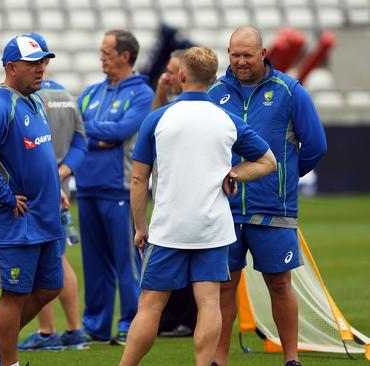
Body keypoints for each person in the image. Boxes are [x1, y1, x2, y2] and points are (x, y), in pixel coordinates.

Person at [120, 47, 277, 366]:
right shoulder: (227, 120)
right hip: (213, 229)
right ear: (214, 78)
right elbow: (267, 161)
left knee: (150, 305)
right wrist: (235, 173)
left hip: (169, 229)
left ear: (180, 75)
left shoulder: (158, 118)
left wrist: (140, 226)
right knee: (209, 304)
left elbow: (139, 181)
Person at [207, 27, 328, 366]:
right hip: (225, 208)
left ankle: (291, 359)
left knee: (279, 283)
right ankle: (219, 360)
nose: (240, 61)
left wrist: (284, 178)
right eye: (234, 54)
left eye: (247, 54)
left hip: (273, 208)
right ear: (227, 53)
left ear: (263, 53)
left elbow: (316, 145)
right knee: (223, 286)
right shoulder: (215, 91)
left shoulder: (290, 91)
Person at [0, 35, 62, 366]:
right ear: (11, 67)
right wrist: (3, 195)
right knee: (15, 294)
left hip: (43, 216)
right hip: (15, 218)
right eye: (33, 63)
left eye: (43, 62)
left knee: (50, 287)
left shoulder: (33, 101)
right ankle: (8, 362)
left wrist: (54, 189)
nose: (40, 69)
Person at [75, 29, 154, 344]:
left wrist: (95, 133)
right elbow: (76, 130)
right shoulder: (91, 92)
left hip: (120, 188)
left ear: (125, 56)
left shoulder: (142, 93)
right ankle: (95, 325)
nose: (101, 57)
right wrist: (100, 135)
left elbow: (122, 130)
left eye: (107, 51)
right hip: (87, 186)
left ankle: (130, 324)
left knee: (127, 262)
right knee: (94, 263)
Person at [16, 33, 89, 352]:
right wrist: (64, 172)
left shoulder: (28, 98)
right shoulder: (66, 95)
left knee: (45, 259)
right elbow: (81, 141)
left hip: (36, 188)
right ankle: (73, 330)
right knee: (58, 256)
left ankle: (48, 332)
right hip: (58, 184)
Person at [150, 48, 198, 338]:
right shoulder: (171, 102)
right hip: (168, 191)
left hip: (188, 194)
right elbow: (153, 123)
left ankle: (188, 319)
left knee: (190, 257)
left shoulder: (195, 107)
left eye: (172, 70)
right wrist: (160, 91)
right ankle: (171, 317)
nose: (167, 75)